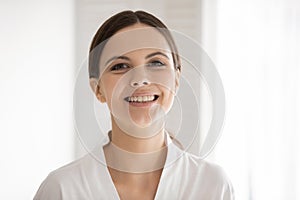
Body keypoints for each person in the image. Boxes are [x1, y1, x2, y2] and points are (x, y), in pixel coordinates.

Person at [34, 10, 234, 200]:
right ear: (98, 89)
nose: (140, 79)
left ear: (176, 79)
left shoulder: (213, 185)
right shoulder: (62, 189)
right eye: (120, 66)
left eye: (156, 63)